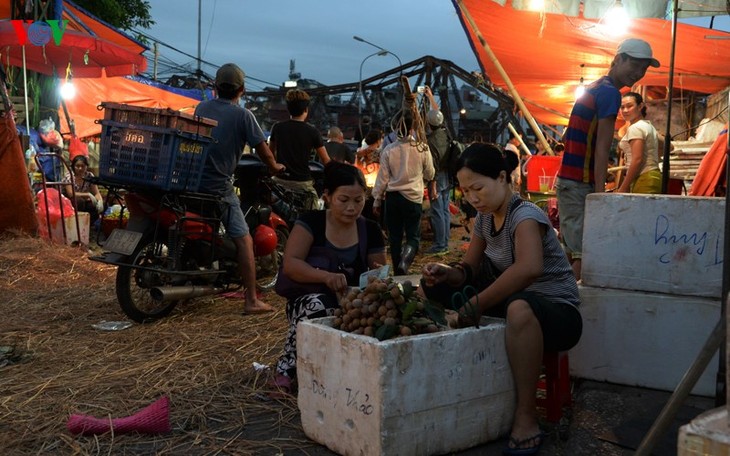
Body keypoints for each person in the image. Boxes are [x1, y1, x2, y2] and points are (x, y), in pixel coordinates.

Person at [420, 143, 582, 456]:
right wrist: (447, 273)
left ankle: (525, 416)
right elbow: (468, 269)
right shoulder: (484, 218)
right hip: (515, 302)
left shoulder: (525, 216)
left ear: (503, 177)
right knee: (429, 287)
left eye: (478, 188)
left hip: (558, 314)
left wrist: (476, 303)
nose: (472, 198)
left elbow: (529, 270)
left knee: (519, 307)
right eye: (465, 191)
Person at [273, 161, 386, 392]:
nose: (352, 208)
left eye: (358, 200)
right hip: (308, 302)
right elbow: (291, 265)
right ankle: (286, 369)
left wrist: (375, 283)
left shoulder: (371, 230)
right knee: (320, 306)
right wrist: (326, 277)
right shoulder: (311, 222)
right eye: (343, 200)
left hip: (352, 305)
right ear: (327, 196)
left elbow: (378, 275)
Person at [555, 38, 659, 280]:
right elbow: (602, 149)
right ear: (618, 59)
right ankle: (566, 305)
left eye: (644, 69)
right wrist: (599, 193)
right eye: (635, 65)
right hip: (580, 182)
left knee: (572, 250)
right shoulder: (610, 94)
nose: (639, 73)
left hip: (570, 180)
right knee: (584, 256)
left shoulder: (595, 87)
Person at [195, 62, 284, 315]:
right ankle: (252, 300)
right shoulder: (244, 116)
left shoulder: (202, 107)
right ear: (242, 89)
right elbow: (263, 150)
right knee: (244, 239)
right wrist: (276, 166)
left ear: (215, 87)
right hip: (218, 185)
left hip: (193, 180)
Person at [372, 109, 435, 275]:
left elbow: (382, 179)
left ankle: (396, 269)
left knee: (395, 237)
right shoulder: (422, 148)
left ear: (396, 128)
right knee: (413, 237)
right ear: (414, 128)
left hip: (393, 198)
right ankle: (405, 264)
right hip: (413, 198)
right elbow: (430, 173)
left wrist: (377, 200)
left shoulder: (389, 150)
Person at [269, 89, 331, 209]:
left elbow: (270, 155)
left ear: (288, 109)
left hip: (279, 182)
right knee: (313, 217)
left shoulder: (277, 127)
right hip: (302, 184)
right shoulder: (313, 132)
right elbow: (326, 161)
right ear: (306, 110)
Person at [423, 85, 451, 255]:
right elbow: (437, 113)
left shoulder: (430, 140)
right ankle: (445, 241)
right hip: (448, 175)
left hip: (437, 177)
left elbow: (433, 165)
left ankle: (440, 245)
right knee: (445, 209)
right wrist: (431, 96)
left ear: (428, 124)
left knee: (437, 211)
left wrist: (432, 185)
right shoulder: (445, 133)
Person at [616, 92, 661, 194]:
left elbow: (637, 160)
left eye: (629, 106)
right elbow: (669, 146)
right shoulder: (648, 126)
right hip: (652, 176)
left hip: (644, 177)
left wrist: (623, 187)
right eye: (622, 107)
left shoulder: (635, 128)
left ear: (640, 106)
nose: (625, 110)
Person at [62, 154, 104, 224]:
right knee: (79, 201)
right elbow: (71, 194)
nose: (80, 168)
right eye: (77, 166)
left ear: (86, 166)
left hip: (84, 201)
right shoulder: (69, 176)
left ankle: (89, 225)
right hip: (68, 201)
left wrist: (100, 201)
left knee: (96, 205)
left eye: (83, 166)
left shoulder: (89, 176)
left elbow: (96, 193)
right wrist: (87, 194)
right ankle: (77, 224)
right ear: (73, 166)